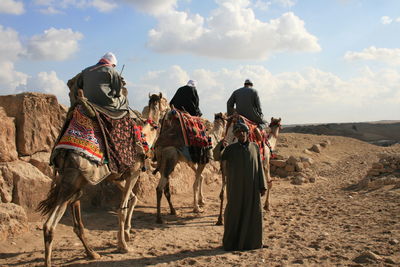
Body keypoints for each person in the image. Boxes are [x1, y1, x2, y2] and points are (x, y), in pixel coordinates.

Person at [213, 121, 267, 251]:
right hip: (236, 189)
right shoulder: (230, 149)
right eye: (237, 132)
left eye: (243, 131)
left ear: (247, 133)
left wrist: (263, 185)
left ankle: (254, 243)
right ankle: (231, 244)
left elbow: (259, 167)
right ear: (235, 135)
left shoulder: (254, 147)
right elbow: (215, 157)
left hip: (252, 188)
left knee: (254, 214)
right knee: (234, 214)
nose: (241, 134)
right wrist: (221, 145)